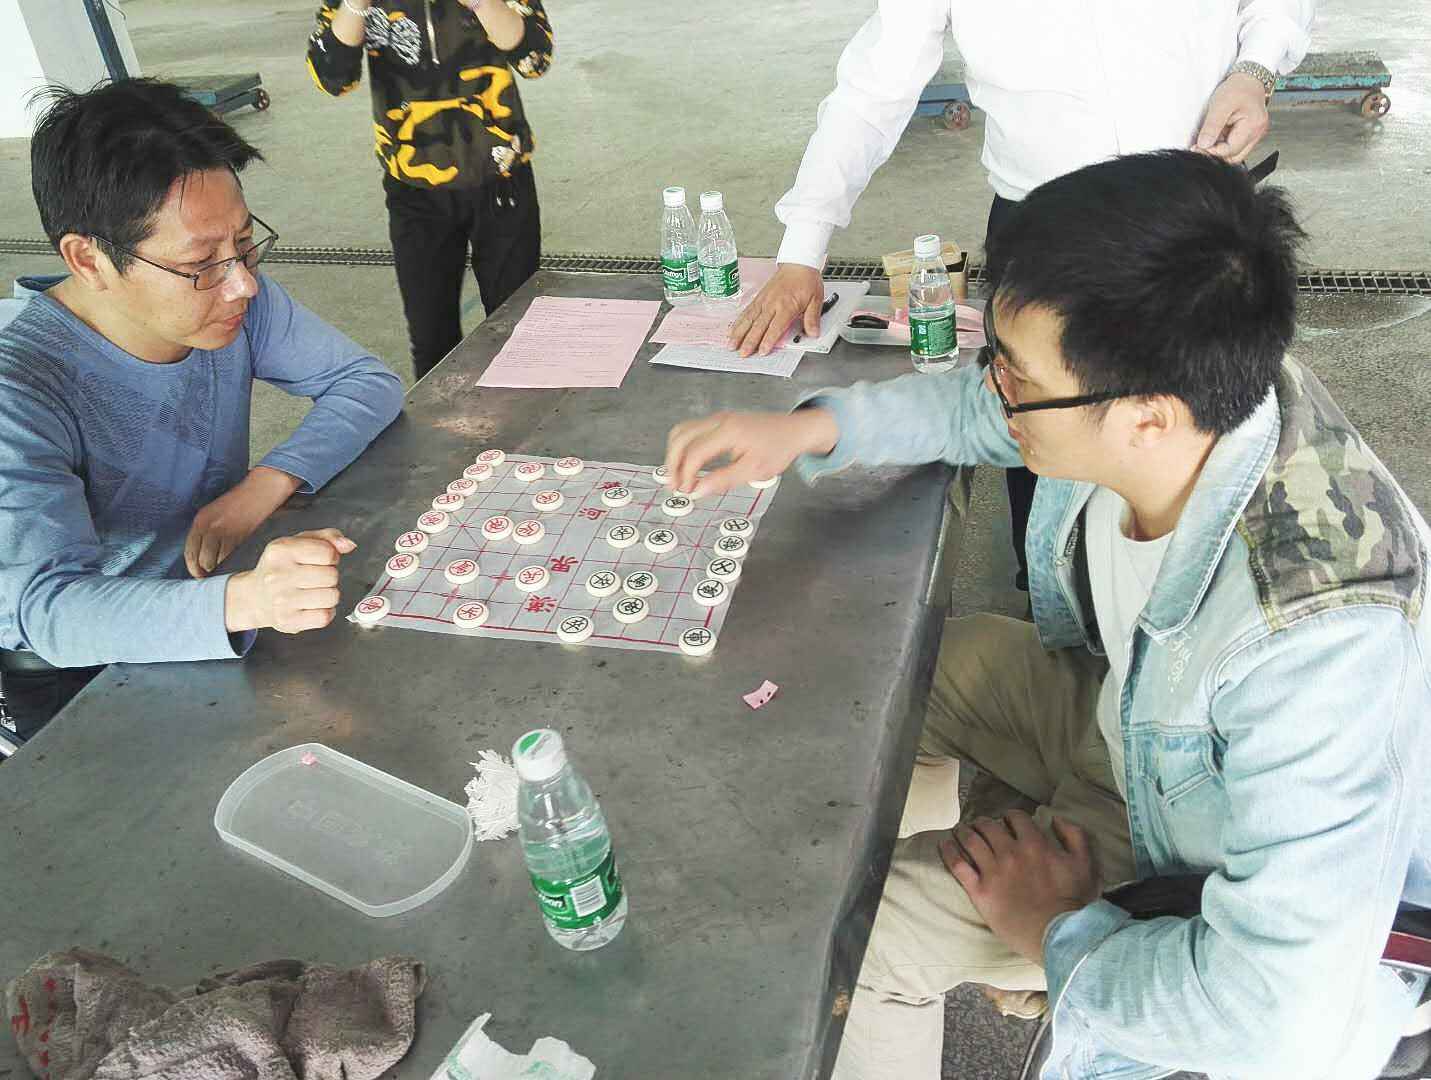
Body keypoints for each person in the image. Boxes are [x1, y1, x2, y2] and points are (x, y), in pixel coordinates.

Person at [664, 150, 1431, 1079]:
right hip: (1148, 736)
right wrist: (810, 428)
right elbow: (992, 410)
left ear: (1143, 417)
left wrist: (1058, 927)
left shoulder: (1316, 648)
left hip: (1207, 879)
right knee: (907, 669)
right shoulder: (1199, 381)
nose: (994, 388)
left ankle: (923, 947)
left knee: (849, 938)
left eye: (1013, 375)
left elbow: (1272, 1019)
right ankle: (930, 849)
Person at [730, 0, 1314, 593]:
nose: (997, 389)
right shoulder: (1020, 400)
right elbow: (874, 86)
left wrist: (1255, 69)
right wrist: (802, 249)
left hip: (1188, 224)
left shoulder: (1296, 612)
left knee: (1188, 429)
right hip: (1046, 226)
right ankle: (1056, 601)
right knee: (1046, 427)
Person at [0, 79, 405, 751]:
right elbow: (48, 610)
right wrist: (249, 600)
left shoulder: (235, 297)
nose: (243, 283)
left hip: (218, 590)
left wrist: (263, 486)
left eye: (244, 243)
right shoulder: (20, 387)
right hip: (79, 666)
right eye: (200, 263)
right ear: (88, 258)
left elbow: (366, 382)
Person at [306, 0, 554, 381]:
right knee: (433, 343)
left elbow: (534, 59)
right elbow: (332, 77)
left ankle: (526, 417)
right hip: (414, 190)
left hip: (501, 181)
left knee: (520, 333)